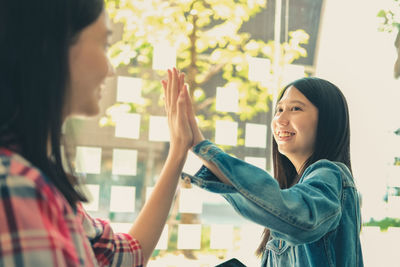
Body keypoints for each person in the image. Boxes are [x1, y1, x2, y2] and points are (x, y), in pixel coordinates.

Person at [0, 0, 192, 266]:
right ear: (53, 47)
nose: (110, 69)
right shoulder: (15, 188)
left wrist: (178, 151)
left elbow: (125, 256)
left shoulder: (41, 183)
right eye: (104, 45)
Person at [163, 75, 363, 266]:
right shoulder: (300, 185)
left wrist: (199, 144)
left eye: (295, 108)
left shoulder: (331, 175)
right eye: (279, 110)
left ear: (327, 120)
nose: (281, 120)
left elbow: (297, 218)